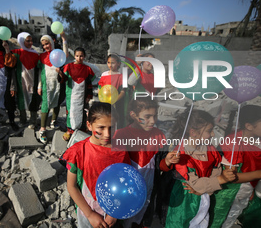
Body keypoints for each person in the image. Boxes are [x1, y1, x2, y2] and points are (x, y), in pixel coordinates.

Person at [60, 102, 131, 228]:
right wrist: (90, 214)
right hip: (87, 212)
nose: (107, 134)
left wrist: (114, 213)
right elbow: (72, 186)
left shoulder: (121, 151)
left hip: (113, 212)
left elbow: (125, 182)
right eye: (101, 128)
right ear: (89, 125)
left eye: (111, 127)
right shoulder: (77, 152)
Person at [162, 109, 237, 228]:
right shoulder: (180, 154)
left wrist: (207, 188)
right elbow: (194, 183)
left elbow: (216, 166)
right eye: (209, 131)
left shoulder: (209, 148)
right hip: (184, 202)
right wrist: (220, 180)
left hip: (204, 196)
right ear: (193, 132)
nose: (212, 134)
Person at [113, 97, 179, 228]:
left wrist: (167, 161)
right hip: (124, 191)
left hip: (149, 190)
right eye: (147, 116)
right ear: (133, 115)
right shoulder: (121, 135)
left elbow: (161, 166)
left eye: (155, 116)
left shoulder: (158, 136)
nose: (153, 121)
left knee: (142, 218)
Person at [209, 104, 261, 228]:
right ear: (248, 126)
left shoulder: (255, 139)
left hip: (244, 193)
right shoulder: (232, 145)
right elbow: (232, 177)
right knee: (220, 222)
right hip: (229, 196)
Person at [57, 47, 95, 141]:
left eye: (81, 56)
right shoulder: (68, 67)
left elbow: (89, 83)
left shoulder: (87, 69)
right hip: (71, 95)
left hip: (83, 96)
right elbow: (63, 80)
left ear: (84, 57)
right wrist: (60, 74)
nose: (79, 58)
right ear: (74, 56)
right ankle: (70, 130)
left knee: (83, 112)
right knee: (70, 112)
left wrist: (89, 96)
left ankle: (82, 130)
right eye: (77, 56)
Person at [3, 32, 39, 127]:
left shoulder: (35, 54)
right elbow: (9, 63)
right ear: (22, 41)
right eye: (28, 41)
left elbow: (39, 68)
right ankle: (23, 120)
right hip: (20, 81)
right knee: (21, 101)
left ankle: (33, 121)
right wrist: (7, 49)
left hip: (33, 81)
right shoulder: (17, 53)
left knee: (33, 101)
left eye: (31, 41)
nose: (30, 43)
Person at [37, 34, 68, 143]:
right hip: (47, 84)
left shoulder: (58, 53)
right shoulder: (41, 56)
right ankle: (42, 130)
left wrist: (64, 40)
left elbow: (66, 54)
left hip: (58, 83)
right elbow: (40, 72)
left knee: (58, 102)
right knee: (45, 105)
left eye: (47, 43)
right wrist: (39, 86)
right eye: (44, 45)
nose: (46, 46)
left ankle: (53, 121)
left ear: (52, 42)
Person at [98, 54, 127, 128]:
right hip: (105, 102)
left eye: (113, 63)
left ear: (118, 63)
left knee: (114, 120)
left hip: (116, 103)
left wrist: (115, 99)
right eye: (108, 62)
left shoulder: (121, 76)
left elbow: (123, 91)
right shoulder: (104, 74)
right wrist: (101, 98)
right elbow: (100, 88)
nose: (110, 65)